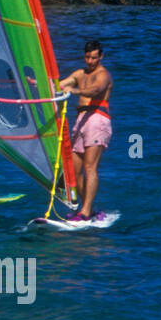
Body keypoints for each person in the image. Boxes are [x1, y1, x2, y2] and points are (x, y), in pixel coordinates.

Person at [58, 40, 112, 221]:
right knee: (72, 171)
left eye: (94, 58)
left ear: (101, 57)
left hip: (97, 119)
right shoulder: (79, 73)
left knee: (90, 167)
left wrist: (73, 90)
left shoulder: (103, 75)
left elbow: (95, 90)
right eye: (88, 57)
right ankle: (88, 209)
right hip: (81, 120)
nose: (90, 61)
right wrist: (37, 83)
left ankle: (86, 212)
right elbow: (61, 84)